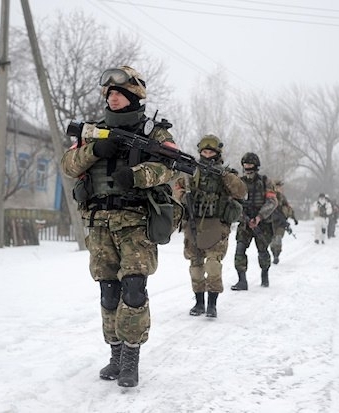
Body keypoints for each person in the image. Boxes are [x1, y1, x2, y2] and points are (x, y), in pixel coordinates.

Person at [61, 66, 181, 388]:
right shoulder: (94, 131)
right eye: (109, 94)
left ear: (133, 97)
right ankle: (114, 355)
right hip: (99, 223)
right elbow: (68, 165)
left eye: (119, 94)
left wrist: (138, 176)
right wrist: (94, 151)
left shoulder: (154, 133)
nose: (112, 98)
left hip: (135, 224)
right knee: (109, 291)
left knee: (133, 290)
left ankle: (131, 358)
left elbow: (170, 168)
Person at [173, 134, 246, 318]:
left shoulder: (225, 174)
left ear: (217, 153)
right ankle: (199, 303)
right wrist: (183, 197)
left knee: (213, 265)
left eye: (210, 151)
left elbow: (241, 192)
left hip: (217, 225)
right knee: (196, 265)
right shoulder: (192, 171)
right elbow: (178, 188)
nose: (207, 154)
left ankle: (212, 304)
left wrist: (223, 175)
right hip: (194, 224)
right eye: (204, 151)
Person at [231, 152, 278, 290]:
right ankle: (242, 281)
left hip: (262, 224)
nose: (247, 167)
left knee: (262, 251)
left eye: (250, 164)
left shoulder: (265, 182)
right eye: (245, 164)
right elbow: (233, 202)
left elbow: (272, 202)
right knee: (240, 250)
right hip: (245, 222)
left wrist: (259, 217)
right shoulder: (238, 182)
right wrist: (243, 218)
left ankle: (264, 275)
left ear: (256, 166)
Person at [269, 180, 298, 264]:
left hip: (280, 223)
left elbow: (288, 207)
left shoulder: (282, 197)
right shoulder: (269, 196)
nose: (279, 188)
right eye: (278, 186)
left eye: (280, 187)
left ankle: (276, 256)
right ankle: (274, 253)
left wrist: (294, 218)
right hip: (270, 223)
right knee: (272, 241)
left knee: (278, 239)